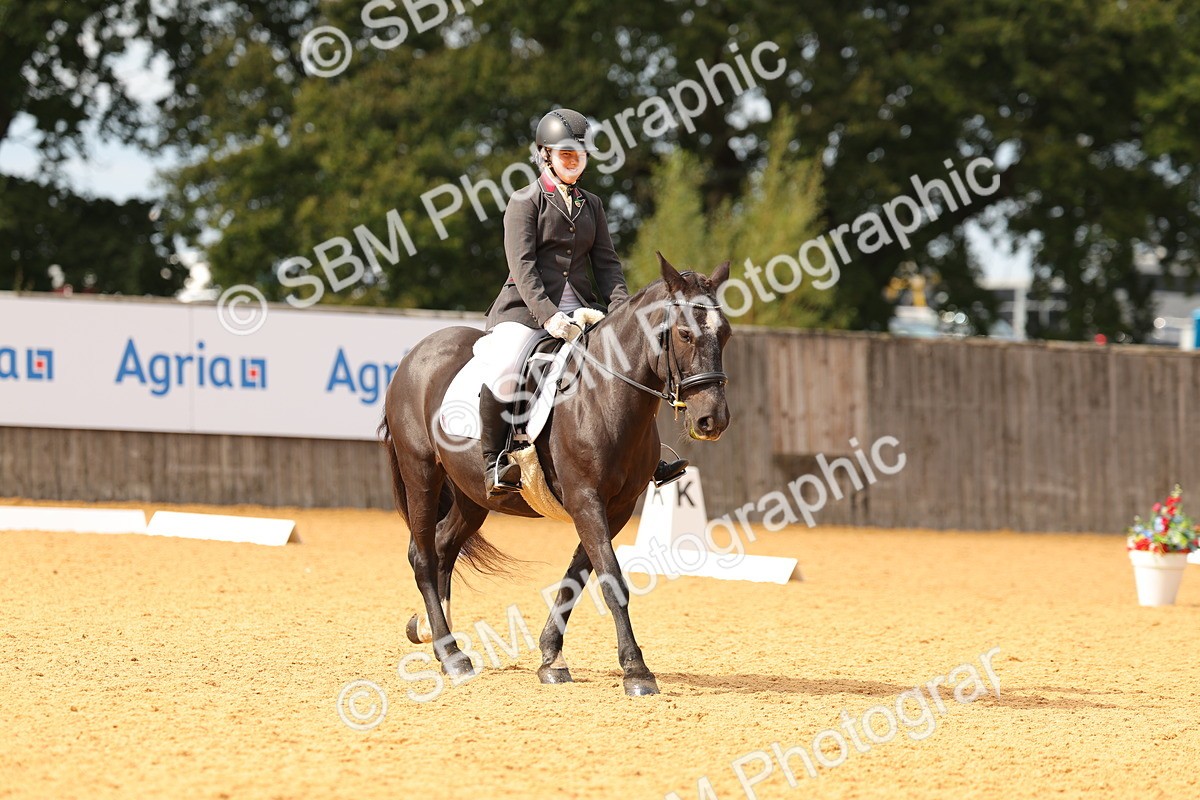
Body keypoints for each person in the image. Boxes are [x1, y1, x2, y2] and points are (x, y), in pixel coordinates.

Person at [477, 108, 687, 496]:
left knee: (629, 362)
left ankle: (647, 457)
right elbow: (522, 268)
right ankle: (495, 460)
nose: (575, 163)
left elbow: (607, 264)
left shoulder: (592, 205)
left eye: (580, 156)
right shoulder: (525, 202)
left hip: (583, 309)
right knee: (508, 363)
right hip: (526, 309)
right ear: (545, 155)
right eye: (566, 155)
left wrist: (624, 312)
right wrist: (549, 316)